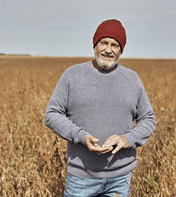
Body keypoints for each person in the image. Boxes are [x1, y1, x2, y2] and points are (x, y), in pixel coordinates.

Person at [44, 19, 156, 197]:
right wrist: (82, 136)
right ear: (95, 44)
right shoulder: (72, 76)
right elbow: (52, 114)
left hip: (120, 178)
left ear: (121, 50)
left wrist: (127, 139)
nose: (108, 50)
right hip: (81, 178)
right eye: (104, 43)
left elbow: (148, 119)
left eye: (115, 45)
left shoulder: (132, 79)